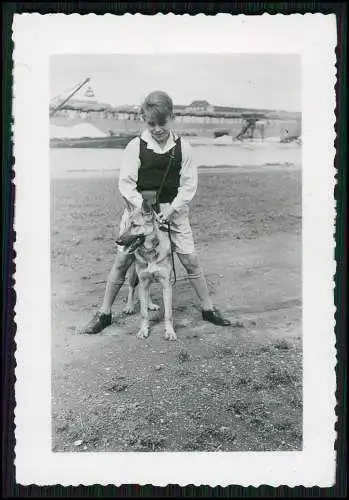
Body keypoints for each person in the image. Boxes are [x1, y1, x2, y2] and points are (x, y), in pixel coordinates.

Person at [78, 90, 231, 334]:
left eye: (162, 123)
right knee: (122, 259)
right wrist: (142, 207)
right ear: (145, 121)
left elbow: (189, 186)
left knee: (190, 260)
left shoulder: (184, 148)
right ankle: (104, 313)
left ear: (172, 117)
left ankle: (208, 308)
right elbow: (126, 183)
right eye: (152, 124)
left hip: (173, 210)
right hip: (141, 210)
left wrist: (171, 210)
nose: (158, 128)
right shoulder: (135, 146)